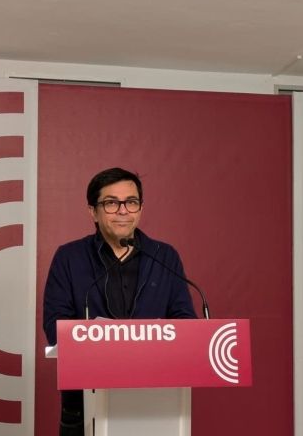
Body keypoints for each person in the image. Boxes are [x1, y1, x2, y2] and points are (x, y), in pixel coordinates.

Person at [42, 167, 197, 436]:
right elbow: (55, 326)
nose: (123, 211)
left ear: (140, 208)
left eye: (131, 202)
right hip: (84, 402)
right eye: (111, 203)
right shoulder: (69, 257)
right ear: (93, 211)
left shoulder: (164, 256)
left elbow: (186, 321)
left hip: (156, 400)